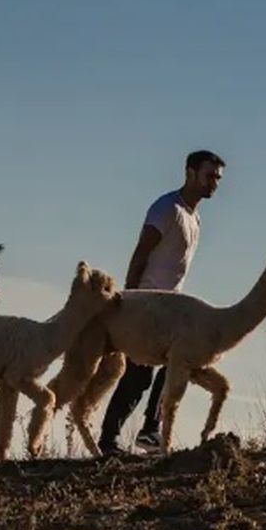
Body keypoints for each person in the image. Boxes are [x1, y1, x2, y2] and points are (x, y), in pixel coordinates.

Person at [97, 150, 225, 455]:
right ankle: (110, 439)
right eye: (209, 176)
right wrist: (129, 300)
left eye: (218, 178)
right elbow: (141, 252)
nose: (214, 184)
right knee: (139, 375)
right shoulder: (167, 208)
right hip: (146, 303)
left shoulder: (195, 218)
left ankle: (149, 431)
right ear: (190, 173)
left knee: (176, 363)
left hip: (171, 307)